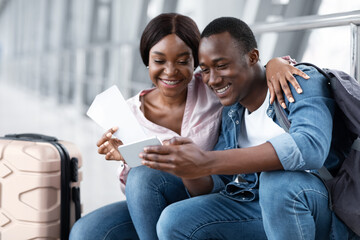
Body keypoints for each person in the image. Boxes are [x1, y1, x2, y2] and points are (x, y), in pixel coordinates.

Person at [69, 13, 307, 240]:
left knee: (144, 180)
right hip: (158, 198)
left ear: (196, 62)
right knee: (86, 231)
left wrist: (276, 63)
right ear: (147, 60)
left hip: (210, 190)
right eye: (159, 61)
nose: (170, 72)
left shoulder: (212, 87)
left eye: (183, 61)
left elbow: (248, 72)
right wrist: (124, 158)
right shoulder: (127, 112)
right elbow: (136, 192)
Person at [140, 17, 355, 239]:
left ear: (252, 57)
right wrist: (190, 170)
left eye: (222, 66)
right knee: (175, 220)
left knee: (277, 182)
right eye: (205, 70)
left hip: (320, 208)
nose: (212, 79)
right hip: (257, 208)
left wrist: (207, 161)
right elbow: (218, 185)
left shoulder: (299, 80)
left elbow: (309, 147)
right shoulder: (232, 111)